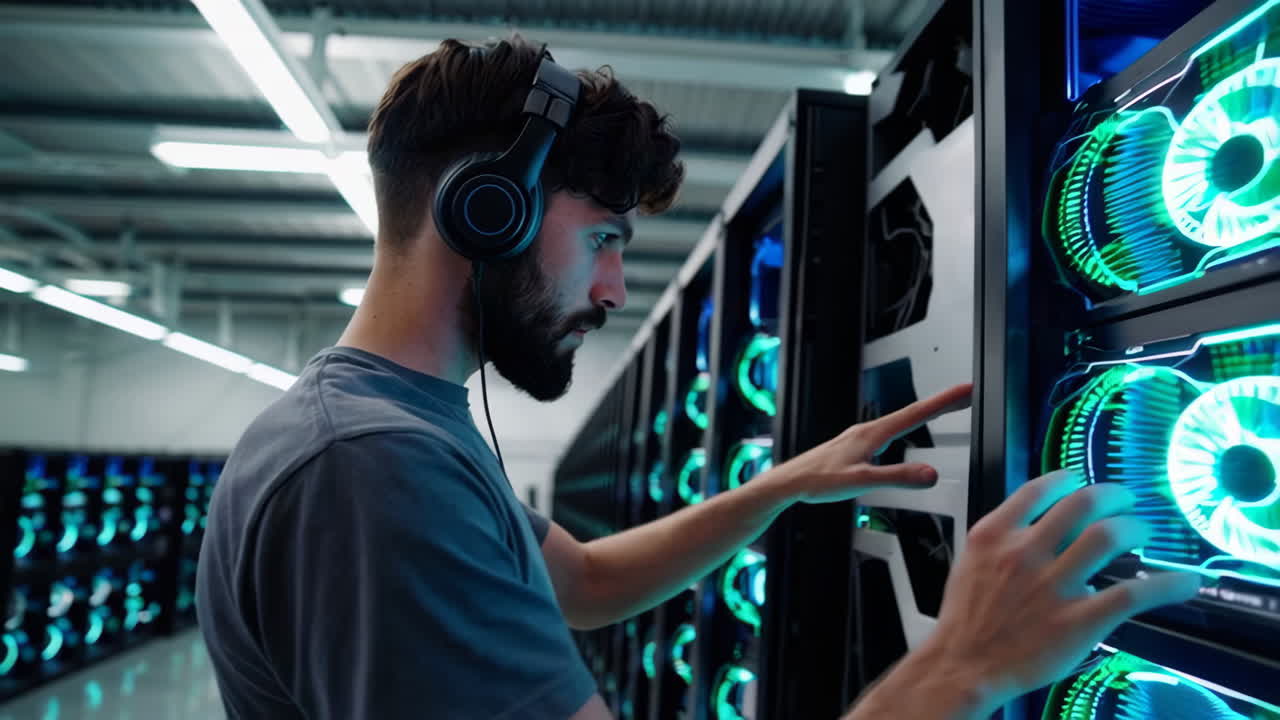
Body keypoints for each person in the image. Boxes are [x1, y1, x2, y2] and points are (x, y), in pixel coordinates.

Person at [195, 35, 1200, 720]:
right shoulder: (371, 470)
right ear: (484, 212)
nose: (613, 285)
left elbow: (583, 585)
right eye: (602, 238)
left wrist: (779, 485)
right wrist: (965, 665)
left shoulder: (396, 426)